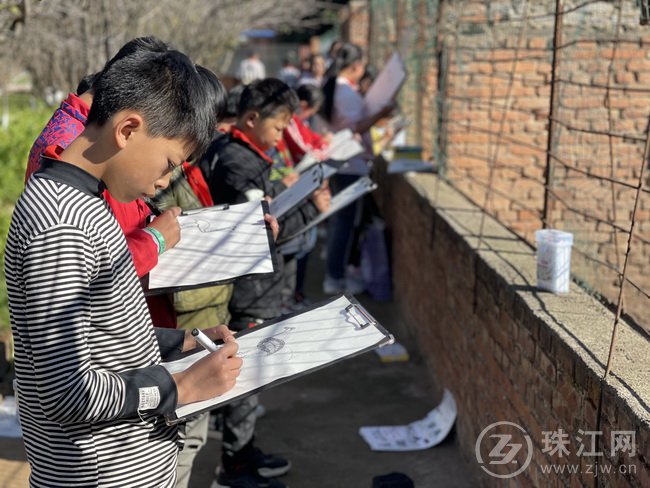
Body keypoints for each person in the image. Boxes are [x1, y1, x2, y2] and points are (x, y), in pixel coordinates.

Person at [5, 43, 242, 487]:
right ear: (128, 128)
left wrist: (181, 343)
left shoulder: (86, 203)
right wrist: (182, 388)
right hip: (101, 474)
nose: (165, 180)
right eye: (170, 162)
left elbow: (101, 333)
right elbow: (67, 392)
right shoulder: (62, 226)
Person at [205, 80, 330, 487]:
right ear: (253, 118)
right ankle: (234, 466)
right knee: (243, 373)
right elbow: (261, 230)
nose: (282, 136)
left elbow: (272, 210)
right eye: (278, 128)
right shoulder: (236, 161)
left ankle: (242, 451)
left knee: (250, 374)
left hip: (258, 285)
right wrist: (311, 208)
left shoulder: (252, 153)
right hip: (248, 288)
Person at [24, 36, 180, 328]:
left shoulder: (78, 133)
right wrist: (154, 240)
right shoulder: (81, 151)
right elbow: (90, 275)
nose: (163, 181)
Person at [320, 42, 393, 295]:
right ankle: (336, 276)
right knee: (345, 224)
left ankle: (336, 273)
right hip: (350, 165)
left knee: (342, 222)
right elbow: (356, 129)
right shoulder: (346, 94)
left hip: (342, 164)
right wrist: (381, 112)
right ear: (356, 66)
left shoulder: (336, 89)